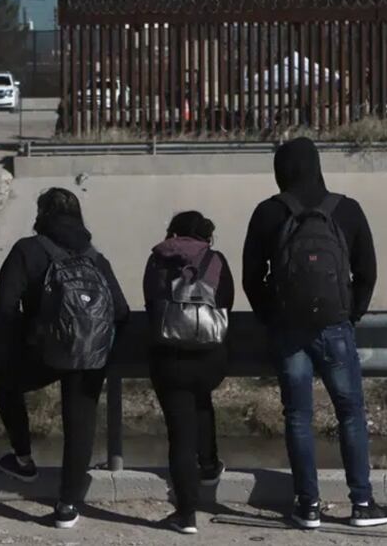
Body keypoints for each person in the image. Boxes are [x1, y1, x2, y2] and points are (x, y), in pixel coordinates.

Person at [242, 137, 387, 530]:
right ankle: (362, 503)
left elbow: (251, 278)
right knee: (350, 415)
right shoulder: (347, 209)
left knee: (297, 416)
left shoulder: (267, 213)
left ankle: (308, 506)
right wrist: (349, 313)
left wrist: (272, 317)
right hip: (335, 327)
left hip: (289, 331)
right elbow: (367, 273)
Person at [0, 187, 129, 530]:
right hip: (92, 355)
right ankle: (67, 505)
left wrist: (31, 334)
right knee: (80, 424)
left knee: (5, 383)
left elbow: (5, 305)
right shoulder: (96, 257)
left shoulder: (28, 250)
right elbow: (122, 310)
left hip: (44, 353)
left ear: (42, 214)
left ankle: (23, 459)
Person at [143, 212, 234, 535]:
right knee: (202, 400)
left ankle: (186, 515)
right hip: (210, 356)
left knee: (179, 435)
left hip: (170, 357)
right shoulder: (215, 259)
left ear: (173, 232)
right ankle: (209, 465)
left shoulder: (157, 258)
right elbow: (226, 300)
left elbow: (151, 302)